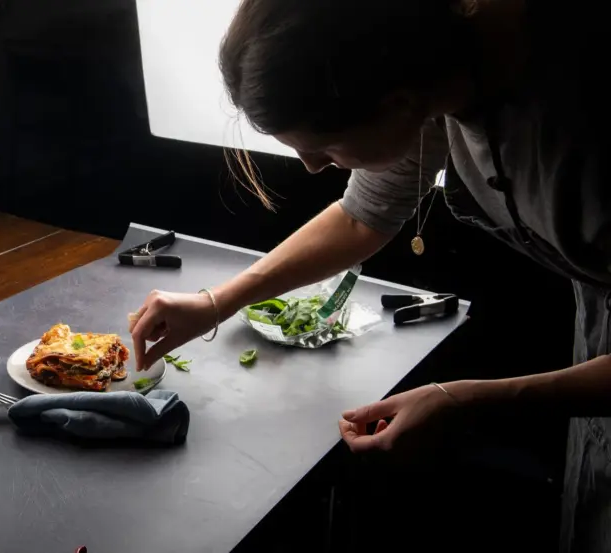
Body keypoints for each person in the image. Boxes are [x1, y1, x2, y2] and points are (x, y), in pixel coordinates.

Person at [127, 0, 608, 551]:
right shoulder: (428, 77)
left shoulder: (583, 117)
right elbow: (362, 217)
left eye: (324, 147)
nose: (312, 166)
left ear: (395, 104)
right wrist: (219, 300)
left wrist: (465, 399)